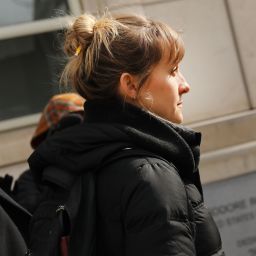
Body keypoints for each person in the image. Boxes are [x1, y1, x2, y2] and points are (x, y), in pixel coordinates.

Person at [28, 13, 224, 256]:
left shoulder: (79, 160)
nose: (185, 85)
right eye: (172, 71)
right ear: (130, 85)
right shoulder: (150, 175)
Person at [13, 93, 85, 213]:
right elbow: (30, 214)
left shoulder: (99, 163)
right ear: (49, 136)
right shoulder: (30, 179)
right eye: (70, 127)